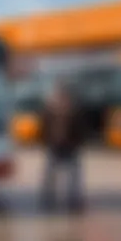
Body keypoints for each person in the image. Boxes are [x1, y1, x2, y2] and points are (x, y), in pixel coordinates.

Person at [39, 79, 87, 213]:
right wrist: (46, 141)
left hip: (70, 147)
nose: (61, 97)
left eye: (63, 94)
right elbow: (44, 127)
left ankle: (73, 200)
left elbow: (80, 129)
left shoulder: (75, 110)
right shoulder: (49, 110)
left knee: (74, 177)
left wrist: (77, 143)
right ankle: (48, 199)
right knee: (50, 175)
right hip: (54, 146)